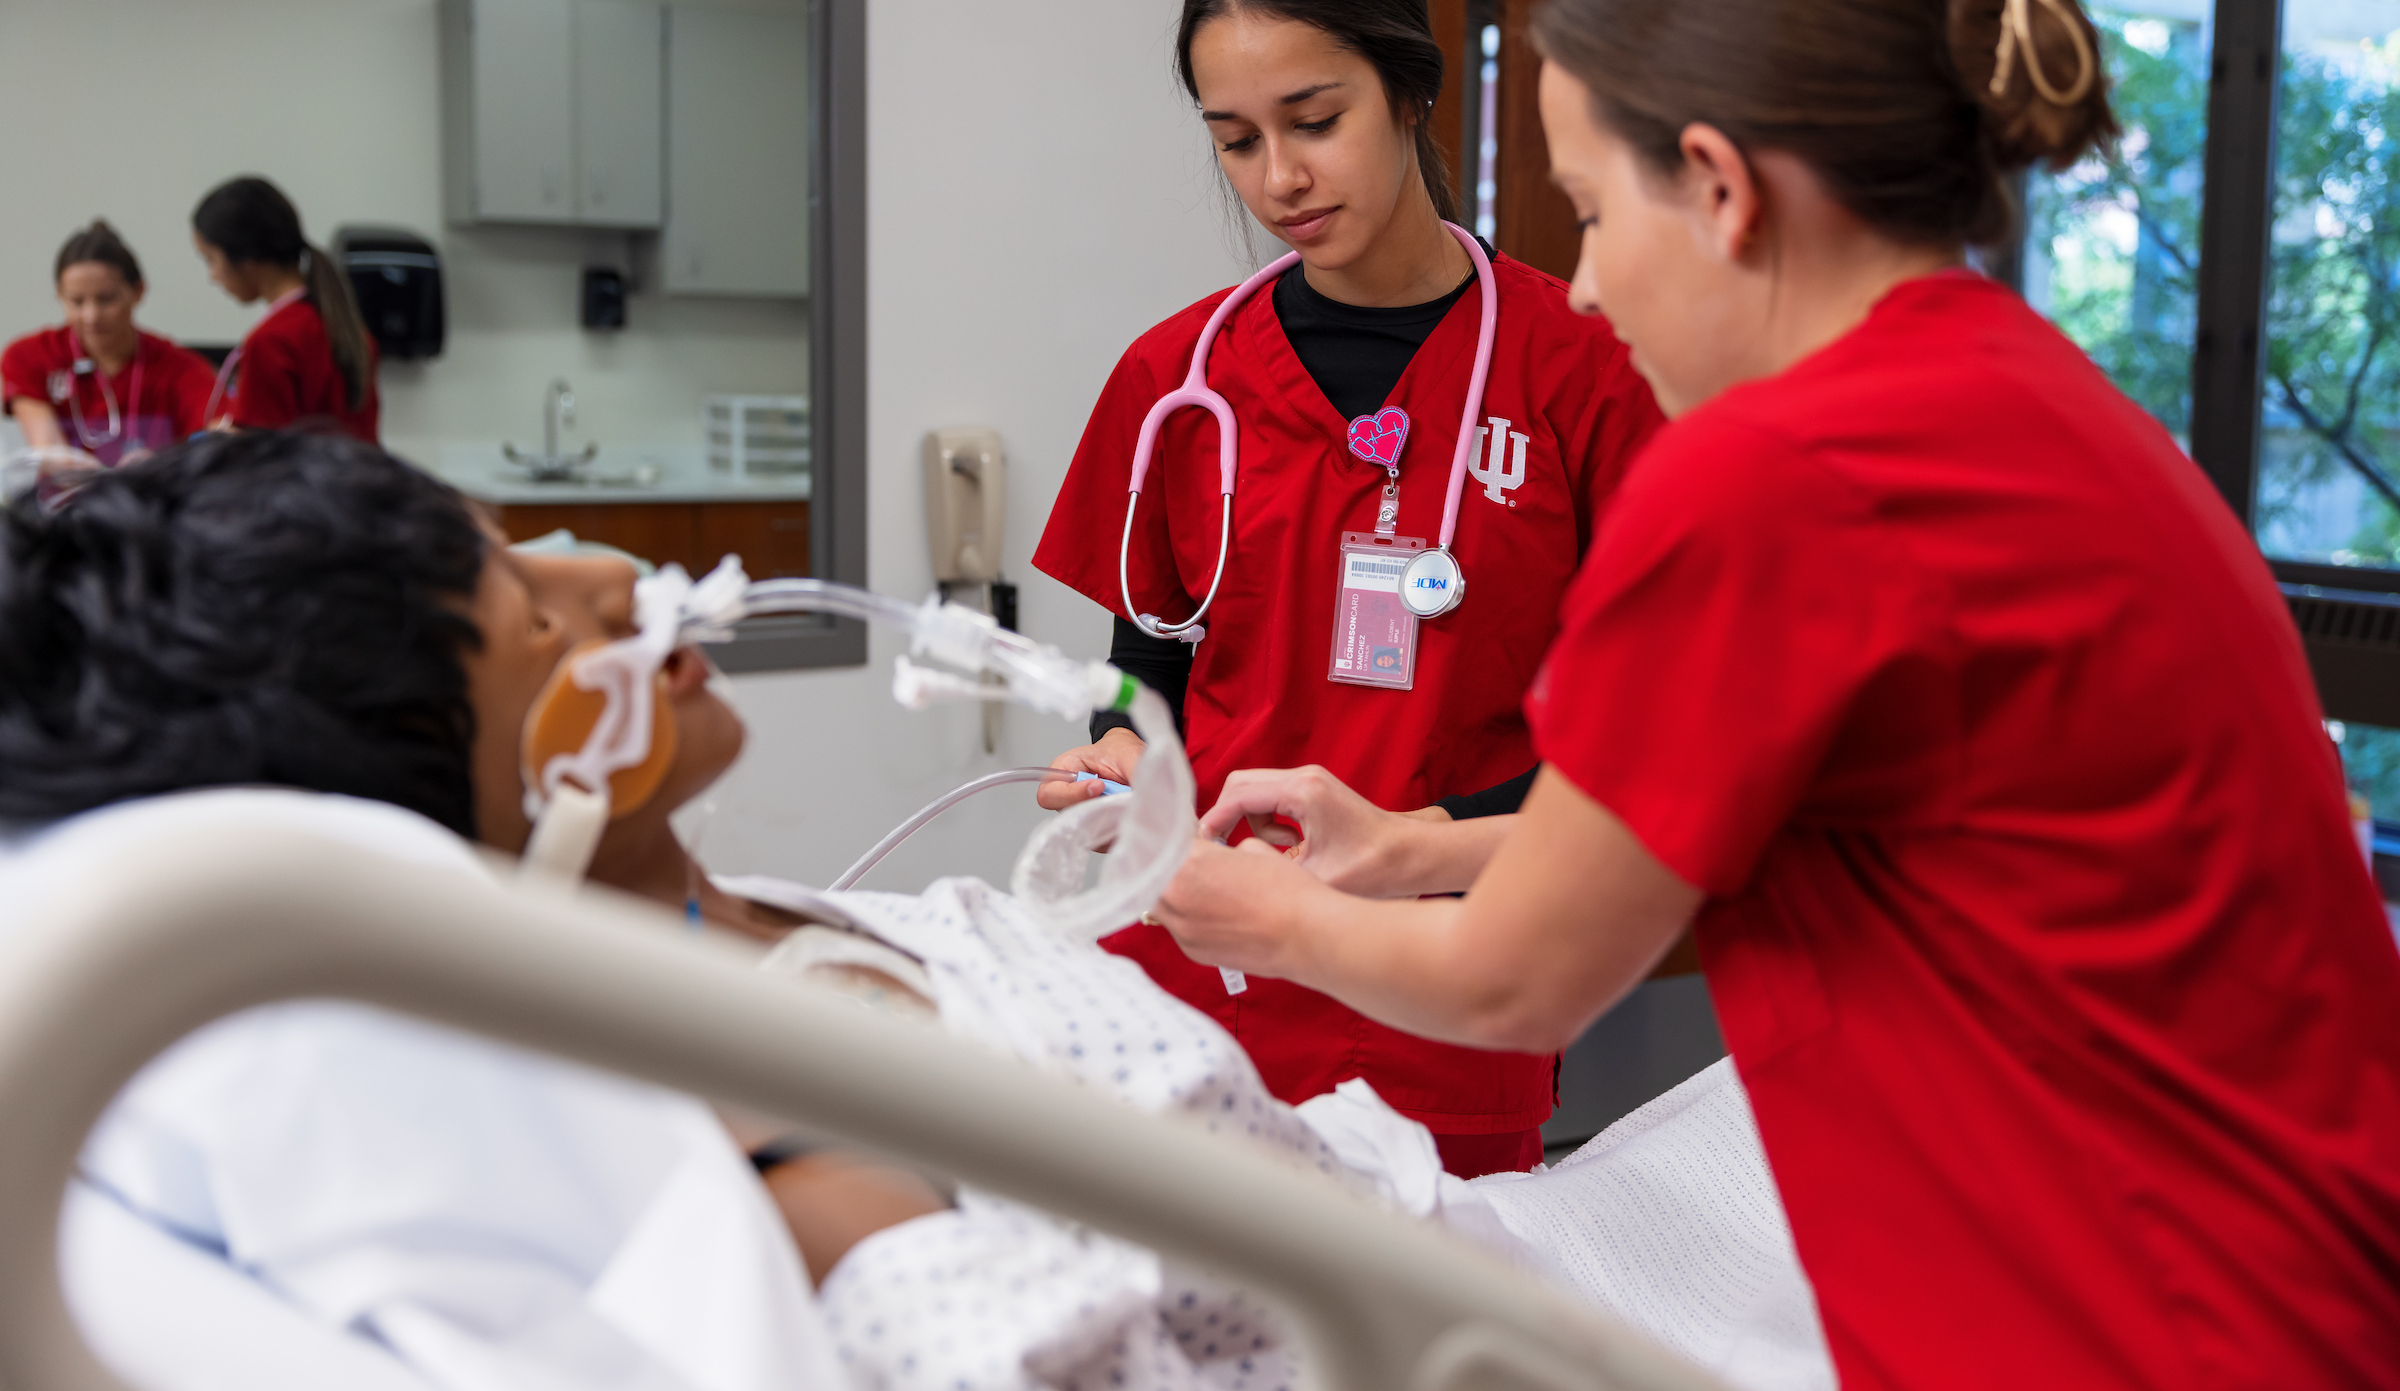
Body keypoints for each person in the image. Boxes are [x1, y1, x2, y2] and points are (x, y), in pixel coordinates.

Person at [1150, 0, 2400, 1387]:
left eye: (1595, 213)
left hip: (2126, 1315)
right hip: (2297, 1283)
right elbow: (1781, 802)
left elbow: (1523, 972)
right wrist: (1419, 846)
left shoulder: (1780, 477)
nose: (1587, 279)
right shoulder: (2039, 405)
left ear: (1721, 187)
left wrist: (1266, 918)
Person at [0, 431, 1835, 1391]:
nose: (602, 573)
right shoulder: (777, 1169)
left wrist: (1369, 849)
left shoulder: (777, 921)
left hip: (1510, 1241)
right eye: (530, 607)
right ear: (449, 786)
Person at [1032, 0, 1663, 1177]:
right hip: (1190, 972)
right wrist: (1113, 744)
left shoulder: (1585, 374)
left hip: (1443, 980)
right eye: (1236, 141)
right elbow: (1140, 658)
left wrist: (1421, 841)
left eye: (1316, 121)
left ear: (1412, 91)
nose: (1281, 179)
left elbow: (1637, 748)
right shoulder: (1178, 377)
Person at [2, 220, 219, 464]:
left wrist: (158, 466)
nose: (91, 316)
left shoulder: (181, 370)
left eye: (106, 300)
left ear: (138, 292)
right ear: (59, 295)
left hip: (153, 497)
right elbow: (49, 451)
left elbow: (219, 437)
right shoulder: (30, 356)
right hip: (66, 500)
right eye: (76, 301)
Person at [189, 176, 379, 443]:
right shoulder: (349, 330)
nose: (213, 276)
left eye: (211, 260)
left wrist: (224, 443)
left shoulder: (270, 343)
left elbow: (264, 461)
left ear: (248, 259)